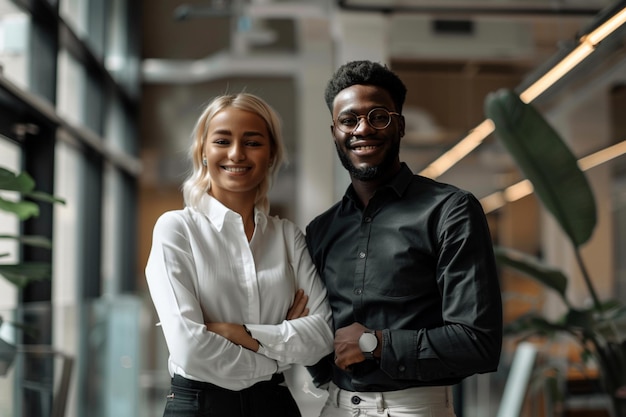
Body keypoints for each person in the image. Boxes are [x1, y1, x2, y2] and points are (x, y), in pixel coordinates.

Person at [305, 60, 503, 417]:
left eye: (378, 116)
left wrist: (374, 343)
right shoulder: (321, 230)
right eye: (349, 120)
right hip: (335, 407)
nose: (362, 129)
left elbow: (479, 343)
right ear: (334, 131)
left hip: (414, 409)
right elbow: (317, 343)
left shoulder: (450, 211)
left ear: (400, 125)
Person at [145, 92, 334, 417]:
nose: (236, 153)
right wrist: (277, 352)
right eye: (222, 140)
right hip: (200, 406)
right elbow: (189, 349)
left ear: (271, 154)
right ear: (203, 152)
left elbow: (322, 338)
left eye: (252, 142)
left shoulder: (287, 236)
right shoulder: (176, 230)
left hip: (275, 406)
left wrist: (239, 333)